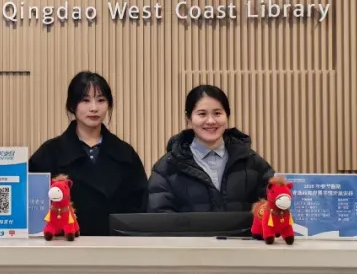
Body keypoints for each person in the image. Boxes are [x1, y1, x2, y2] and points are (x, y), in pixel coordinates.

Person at [29, 71, 148, 236]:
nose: (94, 108)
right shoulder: (49, 153)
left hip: (115, 245)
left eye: (101, 100)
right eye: (85, 100)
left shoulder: (125, 154)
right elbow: (33, 204)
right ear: (72, 105)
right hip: (65, 244)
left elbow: (140, 208)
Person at [147, 84, 275, 213]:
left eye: (217, 113)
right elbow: (159, 215)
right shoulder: (167, 167)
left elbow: (274, 204)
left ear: (227, 116)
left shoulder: (251, 161)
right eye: (202, 114)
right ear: (189, 118)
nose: (211, 121)